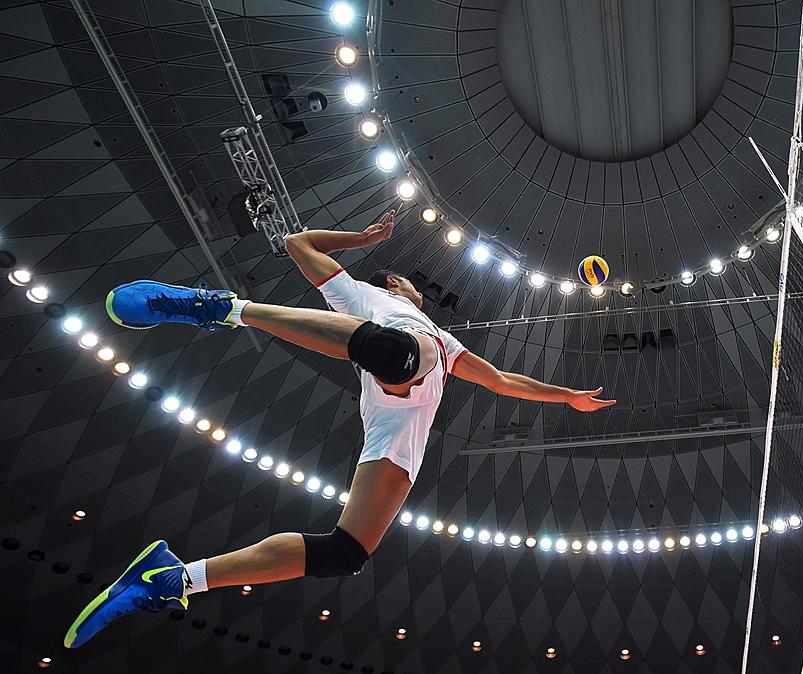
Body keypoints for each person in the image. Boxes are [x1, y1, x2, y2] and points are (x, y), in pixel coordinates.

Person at [64, 210, 615, 649]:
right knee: (402, 355)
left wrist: (565, 396)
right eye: (409, 281)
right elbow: (298, 244)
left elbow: (499, 380)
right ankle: (221, 308)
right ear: (397, 284)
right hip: (397, 368)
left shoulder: (446, 342)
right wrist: (361, 237)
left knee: (345, 554)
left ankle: (175, 579)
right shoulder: (368, 298)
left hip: (396, 437)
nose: (417, 287)